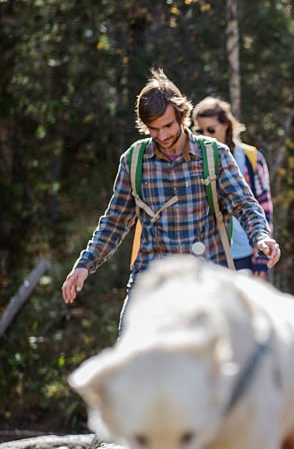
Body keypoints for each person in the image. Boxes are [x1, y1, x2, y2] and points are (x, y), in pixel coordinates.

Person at [62, 70, 280, 321]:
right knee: (131, 351)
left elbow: (244, 205)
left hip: (207, 278)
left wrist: (261, 237)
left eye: (168, 126)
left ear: (182, 116)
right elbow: (114, 222)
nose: (163, 136)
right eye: (154, 129)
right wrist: (85, 264)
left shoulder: (214, 155)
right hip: (153, 281)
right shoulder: (134, 160)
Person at [192, 97, 275, 278]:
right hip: (206, 253)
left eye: (211, 129)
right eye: (200, 130)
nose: (206, 134)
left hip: (244, 252)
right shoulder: (194, 161)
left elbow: (264, 206)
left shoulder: (251, 158)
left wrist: (261, 259)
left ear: (226, 126)